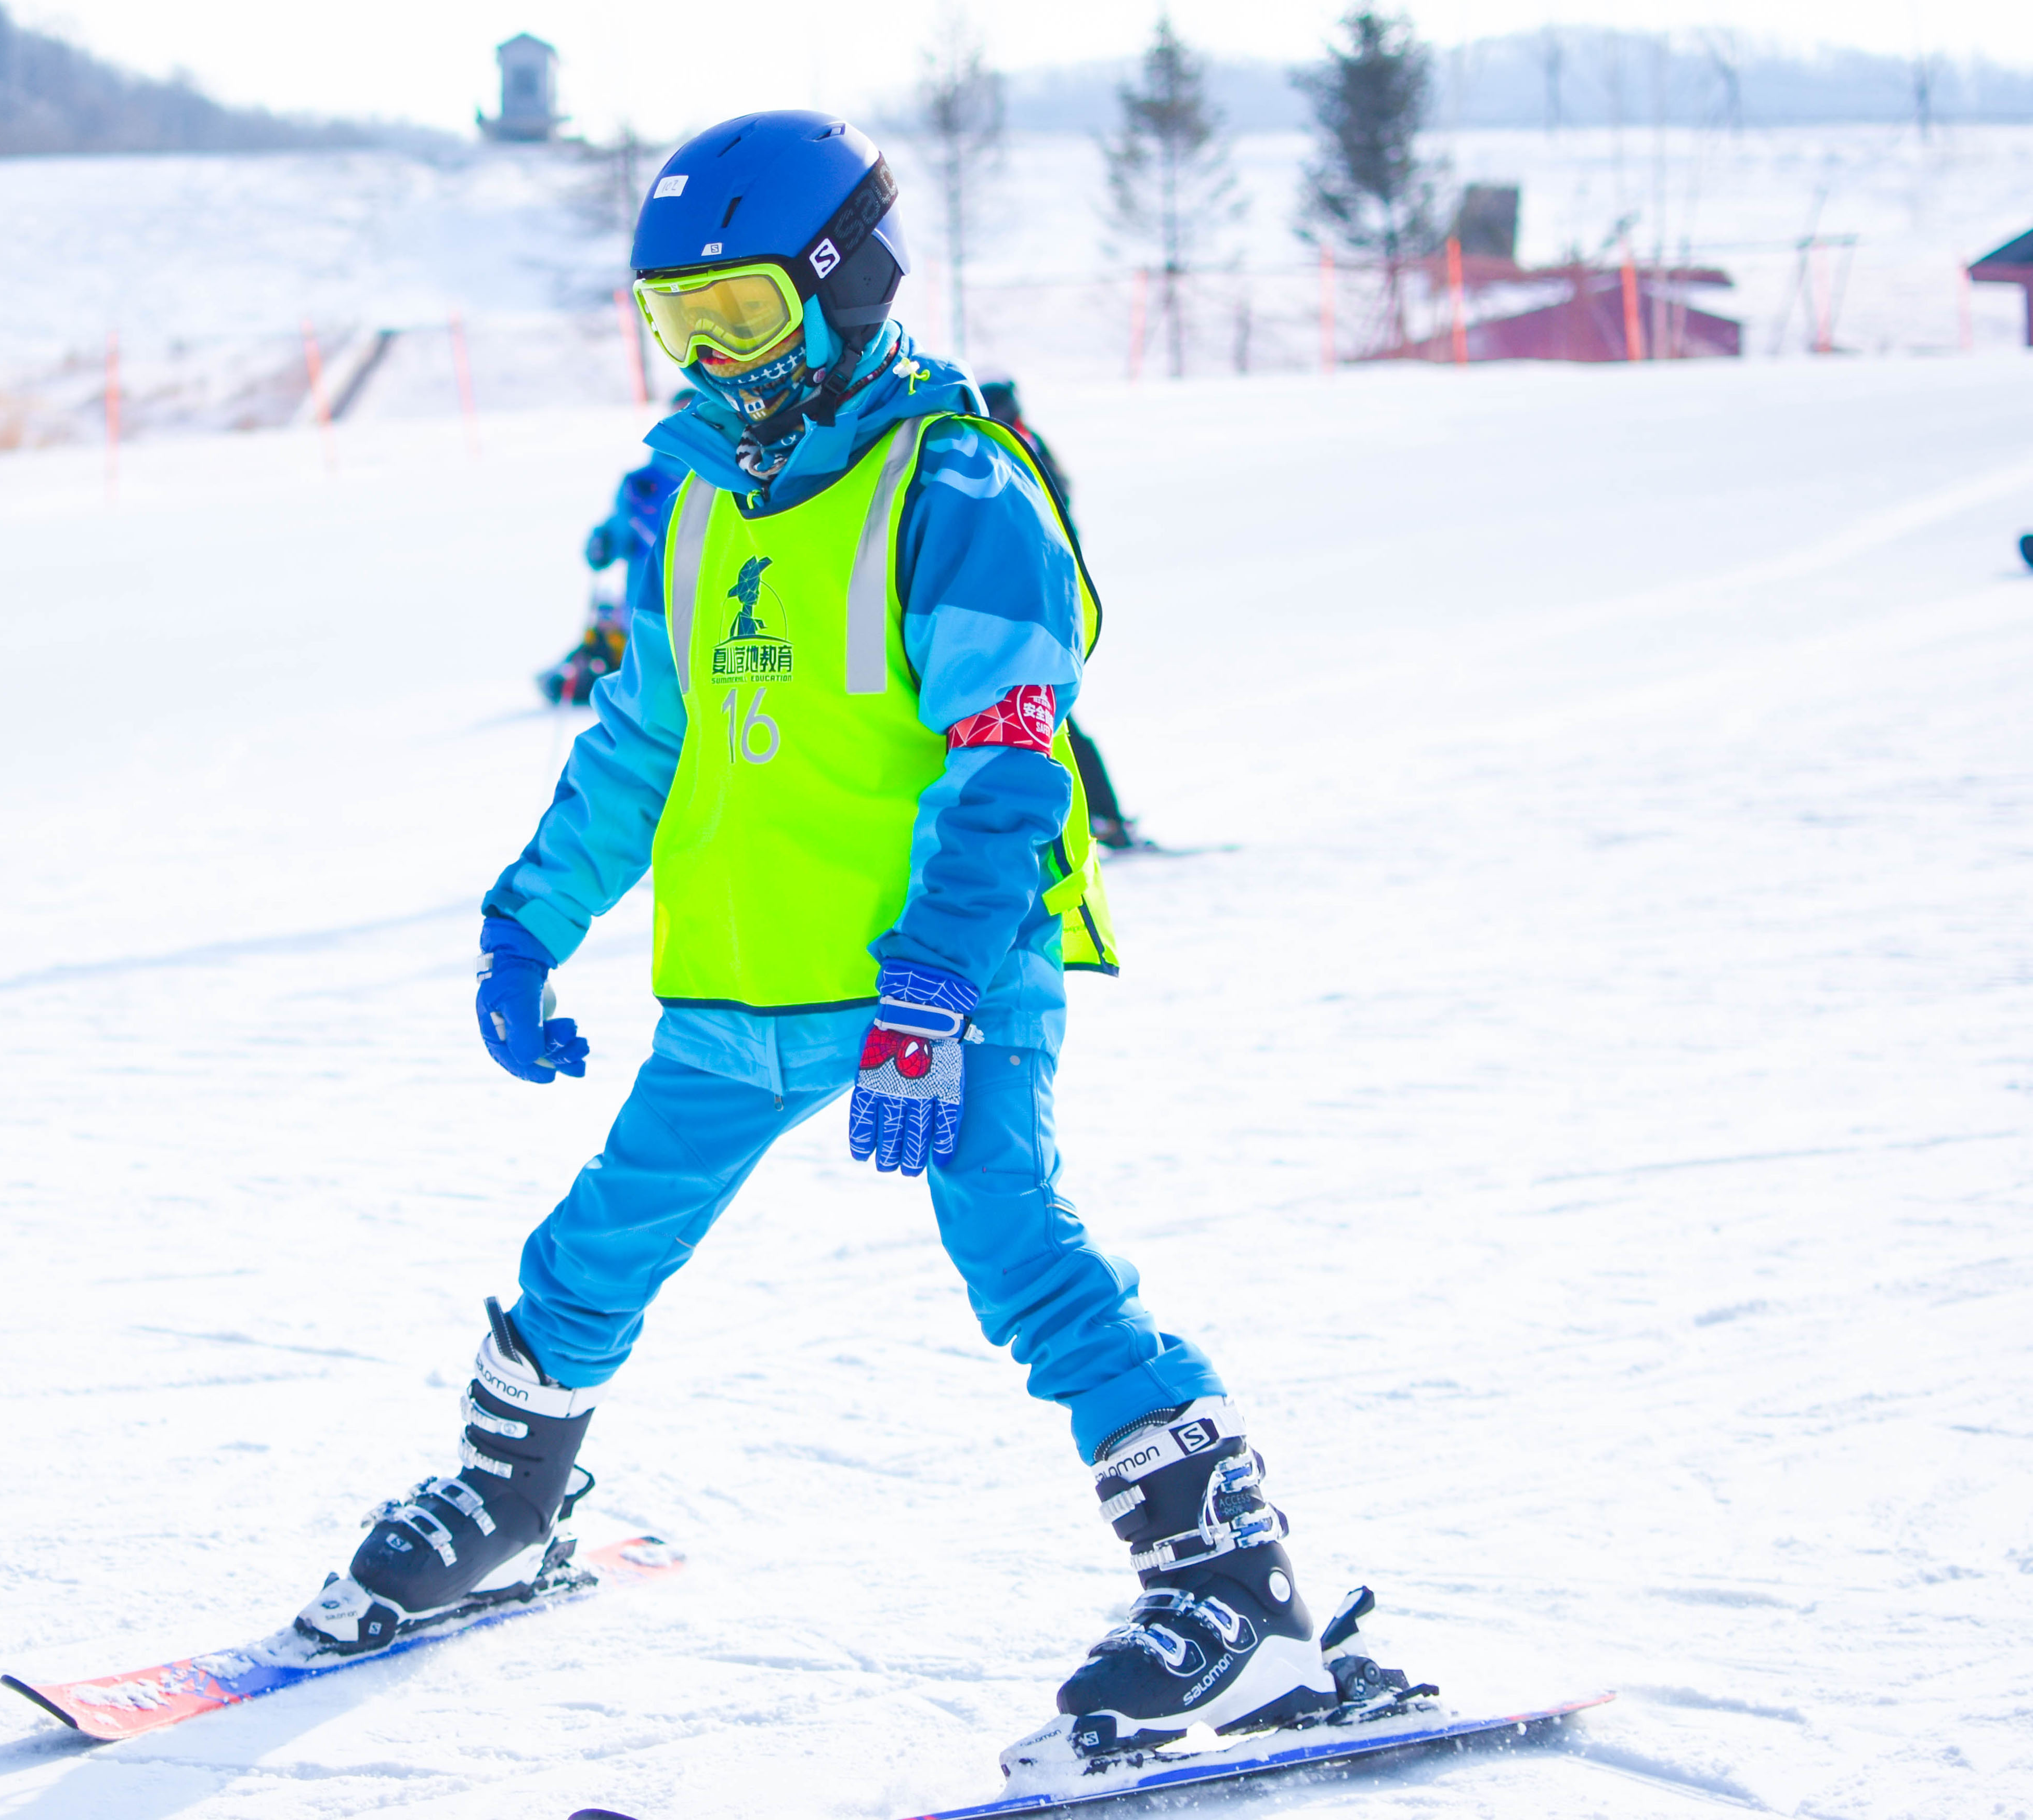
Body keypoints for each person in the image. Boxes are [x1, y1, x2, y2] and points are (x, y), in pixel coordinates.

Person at [282, 110, 1401, 1777]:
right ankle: (512, 1498)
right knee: (591, 1251)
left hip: (934, 979)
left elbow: (1007, 759)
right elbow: (636, 742)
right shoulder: (684, 500)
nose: (718, 359)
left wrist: (939, 981)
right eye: (680, 326)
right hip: (736, 982)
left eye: (743, 314)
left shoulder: (951, 490)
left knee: (1023, 1257)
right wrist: (530, 916)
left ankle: (1236, 1592)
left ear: (844, 284)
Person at [976, 376, 1142, 852]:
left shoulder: (1015, 449)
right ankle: (1101, 819)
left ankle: (1101, 820)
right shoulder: (1012, 446)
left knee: (1050, 720)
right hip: (1026, 607)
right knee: (1048, 721)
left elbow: (1053, 529)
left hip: (1031, 611)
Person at [541, 450, 680, 706]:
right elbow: (620, 529)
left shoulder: (719, 470)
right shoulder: (642, 484)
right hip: (646, 611)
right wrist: (604, 542)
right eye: (678, 407)